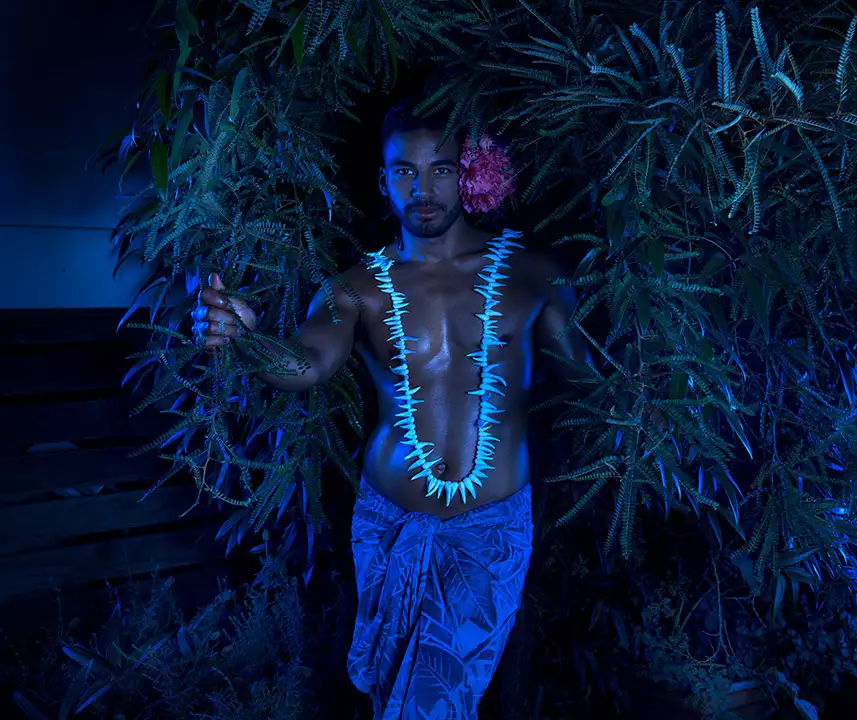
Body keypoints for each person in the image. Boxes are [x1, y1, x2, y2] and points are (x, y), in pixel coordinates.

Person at [192, 97, 591, 719]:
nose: (423, 188)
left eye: (441, 170)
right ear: (384, 180)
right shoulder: (356, 286)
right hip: (387, 523)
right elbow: (309, 364)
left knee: (432, 704)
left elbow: (593, 383)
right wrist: (246, 340)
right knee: (393, 698)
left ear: (473, 172)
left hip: (489, 535)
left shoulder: (536, 274)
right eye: (405, 172)